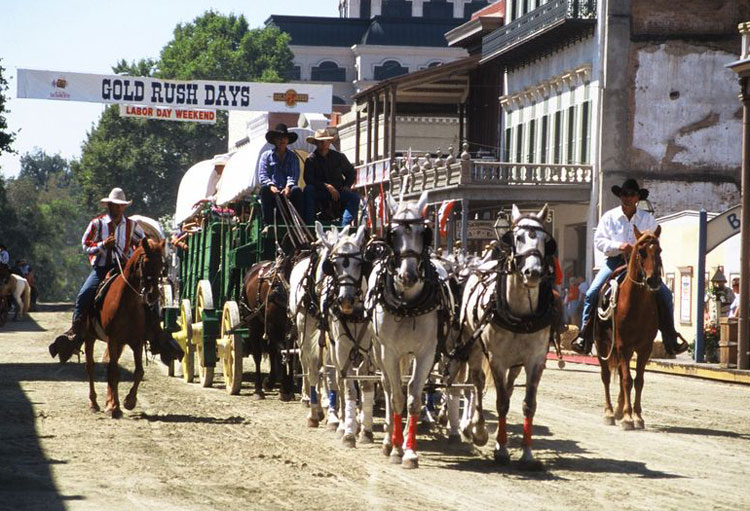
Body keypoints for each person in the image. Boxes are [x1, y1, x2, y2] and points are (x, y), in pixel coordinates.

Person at [571, 179, 688, 356]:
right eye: (624, 194)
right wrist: (620, 246)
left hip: (641, 265)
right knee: (592, 292)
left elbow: (654, 242)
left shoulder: (647, 219)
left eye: (632, 194)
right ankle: (584, 335)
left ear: (637, 198)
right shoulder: (609, 217)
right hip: (615, 262)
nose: (627, 197)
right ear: (620, 196)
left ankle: (670, 337)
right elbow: (599, 241)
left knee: (665, 294)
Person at [49, 188, 146, 362]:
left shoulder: (132, 225)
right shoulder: (97, 224)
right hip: (101, 269)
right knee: (84, 295)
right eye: (115, 205)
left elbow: (142, 244)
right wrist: (102, 245)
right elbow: (85, 245)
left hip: (123, 269)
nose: (118, 209)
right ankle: (75, 333)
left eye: (121, 206)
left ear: (124, 207)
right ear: (108, 205)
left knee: (146, 295)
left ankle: (153, 333)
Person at [303, 127, 360, 226]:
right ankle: (310, 224)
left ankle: (343, 225)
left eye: (326, 141)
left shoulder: (339, 157)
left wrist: (346, 185)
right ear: (316, 143)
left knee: (354, 198)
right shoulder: (311, 159)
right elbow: (308, 179)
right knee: (308, 190)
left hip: (338, 191)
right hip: (320, 192)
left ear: (329, 142)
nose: (324, 143)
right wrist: (327, 186)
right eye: (320, 141)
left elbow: (351, 172)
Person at [257, 123, 304, 225]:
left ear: (287, 140)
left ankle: (297, 223)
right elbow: (262, 174)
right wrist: (271, 186)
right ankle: (267, 224)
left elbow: (294, 174)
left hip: (287, 190)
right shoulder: (266, 156)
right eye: (279, 138)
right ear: (275, 140)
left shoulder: (293, 157)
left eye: (284, 138)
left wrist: (288, 187)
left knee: (297, 191)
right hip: (272, 190)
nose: (282, 140)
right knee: (264, 190)